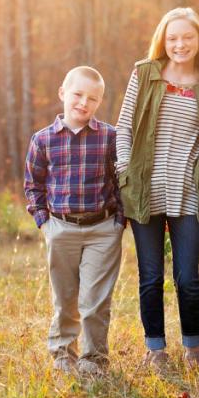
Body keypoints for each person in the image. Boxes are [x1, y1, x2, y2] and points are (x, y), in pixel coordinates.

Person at [116, 7, 199, 371]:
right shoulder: (144, 74)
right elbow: (123, 127)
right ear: (163, 40)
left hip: (188, 192)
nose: (180, 44)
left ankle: (193, 349)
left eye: (187, 37)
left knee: (187, 278)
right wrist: (124, 167)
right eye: (172, 38)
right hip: (145, 191)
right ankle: (155, 351)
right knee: (151, 277)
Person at [24, 66, 125, 377]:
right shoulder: (43, 140)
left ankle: (94, 359)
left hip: (102, 229)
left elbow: (122, 181)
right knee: (65, 297)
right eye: (78, 95)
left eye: (92, 98)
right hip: (61, 228)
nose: (84, 103)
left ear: (100, 102)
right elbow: (33, 184)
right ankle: (63, 354)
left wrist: (119, 221)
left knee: (95, 300)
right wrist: (45, 222)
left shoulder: (110, 137)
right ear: (62, 94)